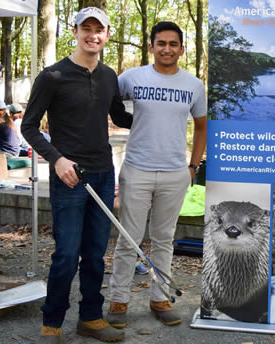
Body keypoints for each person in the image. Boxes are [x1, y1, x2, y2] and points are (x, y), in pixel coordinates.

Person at [21, 7, 133, 343]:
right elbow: (28, 126)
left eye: (99, 30)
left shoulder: (109, 75)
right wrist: (56, 159)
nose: (93, 35)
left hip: (102, 173)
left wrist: (158, 116)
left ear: (108, 35)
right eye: (87, 28)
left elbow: (119, 116)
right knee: (67, 254)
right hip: (69, 177)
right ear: (75, 31)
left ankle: (91, 318)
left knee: (96, 253)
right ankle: (52, 323)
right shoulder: (52, 76)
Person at [106, 20, 206, 329]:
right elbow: (108, 104)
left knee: (164, 239)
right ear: (151, 46)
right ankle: (118, 300)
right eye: (160, 43)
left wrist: (193, 167)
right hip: (136, 170)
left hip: (176, 172)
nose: (166, 48)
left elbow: (202, 127)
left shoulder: (193, 85)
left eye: (173, 44)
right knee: (128, 240)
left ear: (181, 49)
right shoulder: (131, 78)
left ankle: (160, 298)